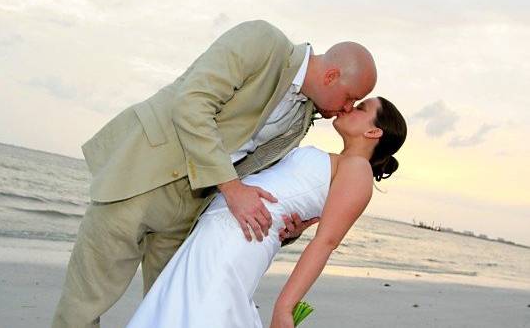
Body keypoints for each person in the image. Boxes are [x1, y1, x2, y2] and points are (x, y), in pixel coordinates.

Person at [52, 20, 378, 328]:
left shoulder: (301, 118)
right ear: (331, 75)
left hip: (194, 212)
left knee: (171, 313)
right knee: (84, 304)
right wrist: (232, 189)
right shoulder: (263, 42)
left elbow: (261, 177)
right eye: (350, 98)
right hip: (144, 176)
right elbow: (191, 103)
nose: (348, 108)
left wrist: (289, 227)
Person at [125, 96, 407, 328]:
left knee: (201, 312)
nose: (349, 106)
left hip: (237, 239)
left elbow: (326, 242)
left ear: (374, 132)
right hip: (218, 231)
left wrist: (285, 306)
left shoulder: (357, 169)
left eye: (361, 108)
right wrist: (293, 230)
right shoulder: (338, 162)